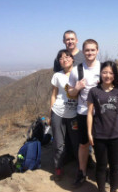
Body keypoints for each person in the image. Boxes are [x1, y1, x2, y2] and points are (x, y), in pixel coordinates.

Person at [87, 61, 118, 192]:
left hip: (116, 134)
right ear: (100, 73)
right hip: (99, 134)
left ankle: (113, 190)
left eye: (110, 73)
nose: (107, 75)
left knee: (115, 166)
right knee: (101, 165)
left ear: (114, 75)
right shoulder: (94, 91)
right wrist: (89, 133)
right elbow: (89, 113)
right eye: (104, 72)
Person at [68, 39, 101, 186]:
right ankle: (82, 172)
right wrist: (77, 88)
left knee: (100, 144)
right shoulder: (76, 70)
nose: (90, 53)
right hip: (82, 112)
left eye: (92, 50)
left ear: (97, 51)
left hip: (101, 113)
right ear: (83, 51)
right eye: (87, 50)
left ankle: (101, 173)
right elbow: (70, 92)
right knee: (83, 144)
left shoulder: (103, 67)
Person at [49, 49, 78, 181]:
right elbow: (54, 95)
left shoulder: (79, 74)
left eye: (67, 56)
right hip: (58, 112)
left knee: (77, 143)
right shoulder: (57, 76)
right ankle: (58, 168)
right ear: (59, 62)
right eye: (61, 58)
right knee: (59, 144)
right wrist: (50, 113)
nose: (64, 59)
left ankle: (81, 168)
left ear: (72, 58)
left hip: (74, 114)